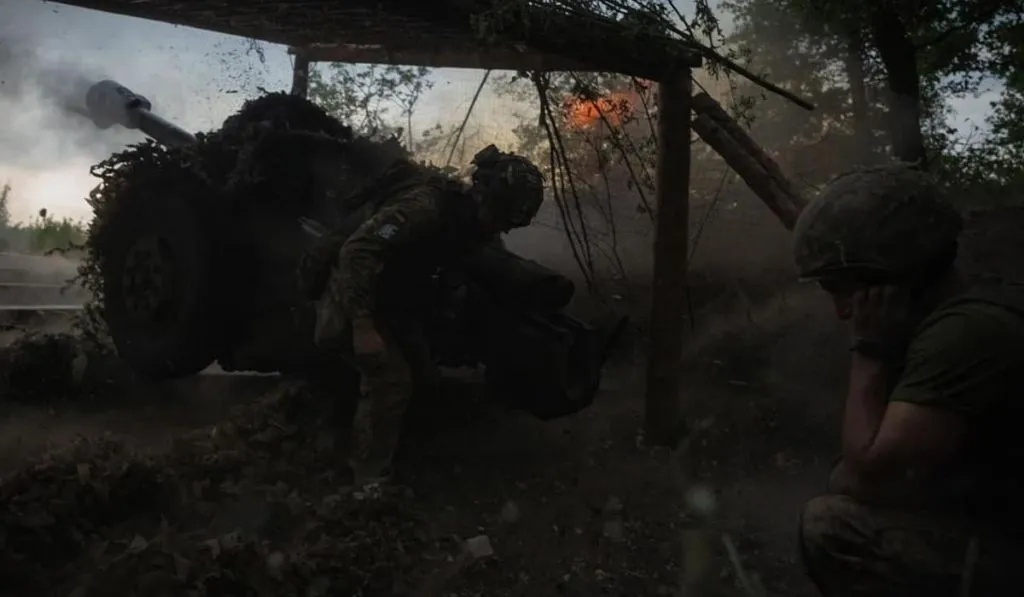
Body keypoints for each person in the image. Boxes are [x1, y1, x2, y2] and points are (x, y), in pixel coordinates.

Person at [791, 163, 1024, 596]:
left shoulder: (964, 334)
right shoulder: (972, 306)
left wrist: (869, 351)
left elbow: (871, 476)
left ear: (893, 278)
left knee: (832, 527)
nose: (843, 311)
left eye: (842, 288)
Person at [313, 144, 545, 487]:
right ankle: (366, 480)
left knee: (427, 380)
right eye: (502, 217)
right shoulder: (425, 209)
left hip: (392, 304)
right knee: (392, 382)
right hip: (350, 297)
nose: (504, 228)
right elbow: (357, 252)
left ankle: (405, 453)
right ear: (484, 198)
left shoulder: (472, 227)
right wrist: (363, 327)